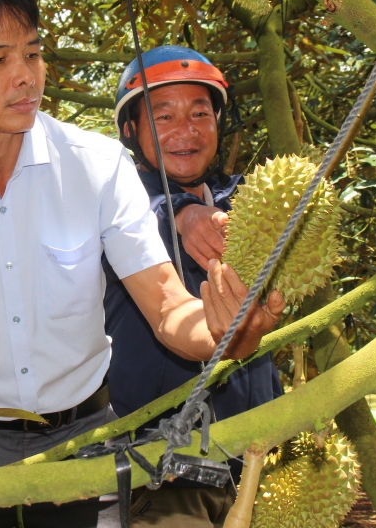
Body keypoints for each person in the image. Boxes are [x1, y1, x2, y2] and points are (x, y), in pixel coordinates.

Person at [0, 0, 285, 528]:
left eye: (32, 53)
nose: (26, 75)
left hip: (84, 445)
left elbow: (169, 308)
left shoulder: (96, 166)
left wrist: (224, 333)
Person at [104, 46, 286, 527]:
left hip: (254, 461)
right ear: (130, 131)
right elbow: (150, 212)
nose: (185, 130)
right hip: (162, 474)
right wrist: (183, 213)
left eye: (200, 113)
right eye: (163, 116)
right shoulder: (112, 209)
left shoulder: (248, 200)